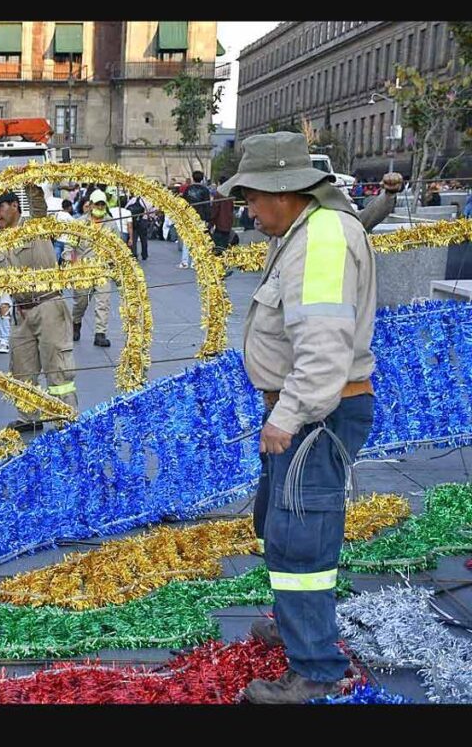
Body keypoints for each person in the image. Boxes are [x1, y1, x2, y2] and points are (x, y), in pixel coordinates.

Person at [218, 132, 376, 704]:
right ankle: (294, 626)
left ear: (285, 191)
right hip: (305, 411)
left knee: (300, 542)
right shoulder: (306, 232)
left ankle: (314, 671)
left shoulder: (324, 240)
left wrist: (286, 416)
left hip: (315, 415)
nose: (250, 211)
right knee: (278, 526)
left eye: (254, 198)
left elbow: (324, 348)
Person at [0, 191, 77, 433]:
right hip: (20, 311)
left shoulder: (36, 224)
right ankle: (28, 417)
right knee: (22, 369)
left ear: (15, 205)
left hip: (48, 307)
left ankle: (64, 418)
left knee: (58, 367)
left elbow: (37, 203)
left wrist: (30, 181)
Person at [71, 189, 116, 347]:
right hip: (83, 269)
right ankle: (75, 323)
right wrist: (71, 263)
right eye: (97, 203)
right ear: (90, 205)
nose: (100, 206)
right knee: (81, 302)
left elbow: (118, 247)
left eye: (103, 204)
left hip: (103, 268)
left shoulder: (111, 223)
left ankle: (100, 333)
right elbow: (70, 246)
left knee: (103, 302)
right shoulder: (79, 223)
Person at [210, 175, 235, 255]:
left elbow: (215, 210)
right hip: (228, 222)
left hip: (219, 224)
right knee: (225, 244)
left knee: (217, 245)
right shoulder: (230, 194)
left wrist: (211, 222)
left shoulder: (218, 194)